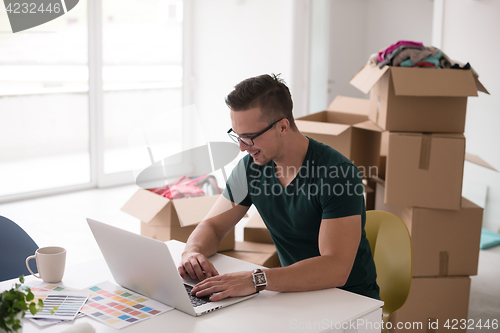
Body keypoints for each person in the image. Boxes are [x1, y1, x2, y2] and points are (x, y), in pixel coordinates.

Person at [178, 74, 379, 301]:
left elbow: (335, 268)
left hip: (350, 300)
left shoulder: (338, 174)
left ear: (283, 127)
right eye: (237, 136)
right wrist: (192, 252)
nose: (242, 148)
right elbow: (213, 226)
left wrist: (256, 279)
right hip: (294, 293)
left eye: (249, 138)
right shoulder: (250, 169)